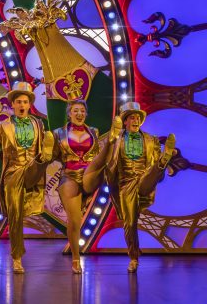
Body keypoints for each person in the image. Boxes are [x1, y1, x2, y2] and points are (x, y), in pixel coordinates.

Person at [0, 81, 54, 274]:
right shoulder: (1, 126)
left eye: (25, 102)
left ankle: (43, 159)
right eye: (19, 102)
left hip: (32, 170)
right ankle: (17, 257)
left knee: (41, 158)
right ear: (13, 104)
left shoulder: (38, 124)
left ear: (29, 104)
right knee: (15, 216)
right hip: (12, 172)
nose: (22, 105)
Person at [103, 101, 177, 273]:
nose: (135, 121)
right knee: (130, 223)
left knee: (153, 171)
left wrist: (164, 162)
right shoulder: (116, 140)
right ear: (125, 121)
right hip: (125, 183)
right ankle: (134, 257)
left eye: (138, 118)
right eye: (132, 118)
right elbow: (108, 160)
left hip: (145, 178)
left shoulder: (151, 140)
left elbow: (154, 166)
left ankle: (163, 160)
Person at [50, 93, 111, 274]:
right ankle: (76, 258)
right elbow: (53, 156)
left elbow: (98, 156)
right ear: (69, 113)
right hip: (69, 176)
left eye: (82, 111)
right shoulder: (58, 133)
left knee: (102, 168)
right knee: (75, 220)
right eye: (76, 110)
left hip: (90, 174)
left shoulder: (94, 132)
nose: (79, 114)